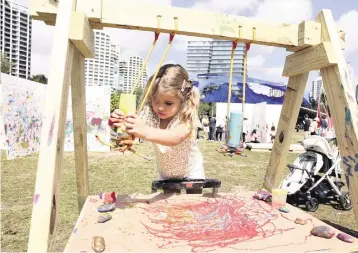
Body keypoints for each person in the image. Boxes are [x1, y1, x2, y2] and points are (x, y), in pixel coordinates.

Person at [108, 64, 205, 194]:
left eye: (168, 103)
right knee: (169, 208)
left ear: (182, 100)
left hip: (192, 172)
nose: (160, 108)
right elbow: (129, 133)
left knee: (193, 206)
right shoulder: (149, 113)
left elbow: (175, 138)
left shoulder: (186, 114)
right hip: (166, 175)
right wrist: (118, 122)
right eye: (156, 101)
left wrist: (146, 131)